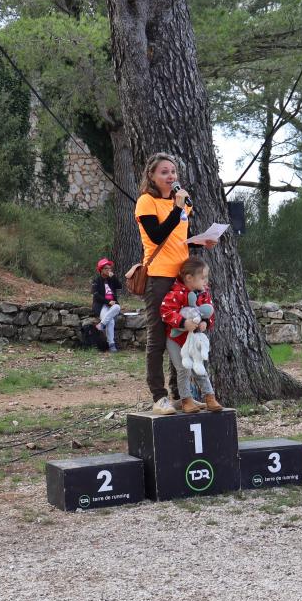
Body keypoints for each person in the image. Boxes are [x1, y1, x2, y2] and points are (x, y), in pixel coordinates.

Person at [132, 152, 218, 415]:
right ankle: (159, 397)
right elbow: (157, 237)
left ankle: (181, 395)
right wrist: (177, 209)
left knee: (180, 336)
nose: (171, 176)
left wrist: (201, 241)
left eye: (173, 172)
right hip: (159, 277)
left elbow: (180, 238)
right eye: (164, 172)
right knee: (158, 338)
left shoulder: (182, 204)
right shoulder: (146, 202)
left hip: (182, 279)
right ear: (152, 176)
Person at [159, 257, 223, 414]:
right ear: (189, 278)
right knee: (183, 369)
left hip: (193, 340)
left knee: (199, 368)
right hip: (175, 339)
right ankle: (186, 400)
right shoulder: (175, 293)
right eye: (203, 278)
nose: (206, 281)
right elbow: (166, 311)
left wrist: (205, 323)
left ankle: (210, 397)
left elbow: (209, 311)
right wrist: (183, 322)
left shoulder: (203, 294)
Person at [91, 258, 122, 352]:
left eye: (110, 268)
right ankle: (111, 344)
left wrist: (114, 277)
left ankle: (102, 324)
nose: (109, 270)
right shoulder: (96, 280)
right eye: (106, 268)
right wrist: (108, 302)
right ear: (101, 270)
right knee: (111, 321)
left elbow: (120, 286)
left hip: (112, 306)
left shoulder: (111, 279)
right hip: (101, 305)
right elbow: (96, 295)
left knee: (117, 307)